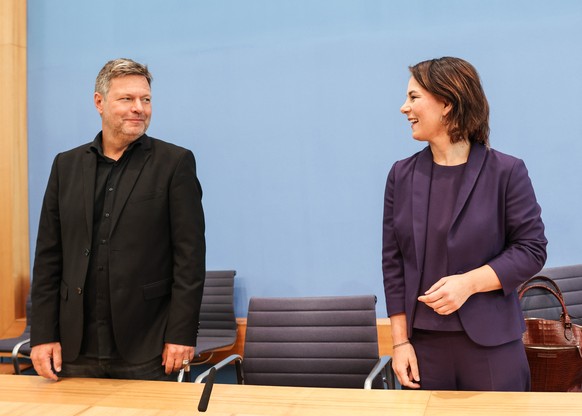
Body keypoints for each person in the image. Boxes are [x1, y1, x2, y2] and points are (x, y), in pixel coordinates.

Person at [30, 58, 206, 381]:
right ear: (99, 102)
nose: (139, 108)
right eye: (127, 99)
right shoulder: (65, 167)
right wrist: (42, 334)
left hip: (147, 345)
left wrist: (181, 334)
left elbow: (190, 259)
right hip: (74, 347)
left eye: (146, 99)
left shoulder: (175, 164)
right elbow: (47, 258)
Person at [382, 57, 547, 391]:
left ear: (447, 103)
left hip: (493, 347)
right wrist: (399, 343)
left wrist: (468, 284)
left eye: (414, 97)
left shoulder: (506, 172)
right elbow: (393, 265)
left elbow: (531, 250)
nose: (404, 108)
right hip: (422, 348)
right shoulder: (400, 175)